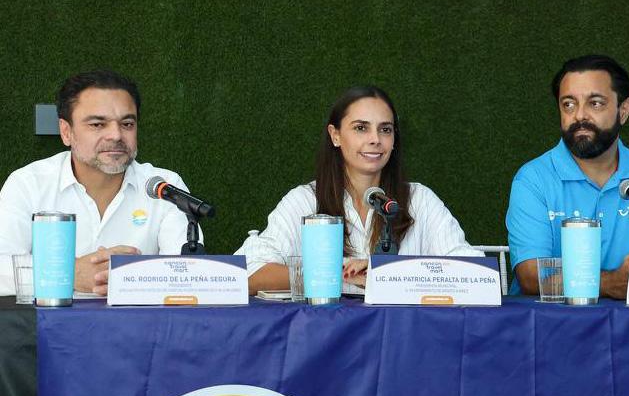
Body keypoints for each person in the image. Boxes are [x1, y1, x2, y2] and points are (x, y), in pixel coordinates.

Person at [237, 85, 483, 294]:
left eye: (385, 129)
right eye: (361, 128)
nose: (375, 139)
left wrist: (383, 273)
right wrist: (342, 274)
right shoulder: (304, 200)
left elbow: (475, 273)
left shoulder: (420, 200)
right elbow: (250, 274)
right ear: (335, 135)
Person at [506, 54, 629, 298]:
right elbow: (531, 277)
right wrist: (609, 283)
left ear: (623, 111)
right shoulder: (533, 179)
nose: (579, 116)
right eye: (568, 104)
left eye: (595, 103)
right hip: (551, 321)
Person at [0, 70, 195, 296]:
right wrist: (69, 273)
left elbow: (188, 273)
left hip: (138, 319)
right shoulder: (28, 184)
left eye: (127, 124)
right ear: (66, 132)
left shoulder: (164, 186)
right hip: (49, 319)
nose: (116, 135)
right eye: (97, 124)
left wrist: (132, 275)